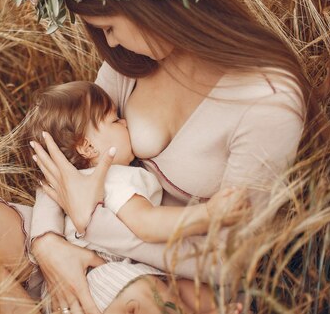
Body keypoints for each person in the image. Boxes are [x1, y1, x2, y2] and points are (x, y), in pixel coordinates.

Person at [0, 0, 314, 314]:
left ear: (147, 3)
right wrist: (49, 244)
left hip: (177, 274)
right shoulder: (133, 63)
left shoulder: (266, 100)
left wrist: (96, 228)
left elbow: (233, 257)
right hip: (81, 240)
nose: (109, 44)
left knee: (142, 300)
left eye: (109, 27)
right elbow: (66, 165)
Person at [19, 80, 249, 313]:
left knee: (187, 291)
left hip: (86, 283)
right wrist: (207, 214)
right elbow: (146, 223)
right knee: (156, 292)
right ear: (88, 147)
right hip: (101, 279)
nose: (126, 122)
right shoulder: (114, 178)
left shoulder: (76, 184)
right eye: (115, 120)